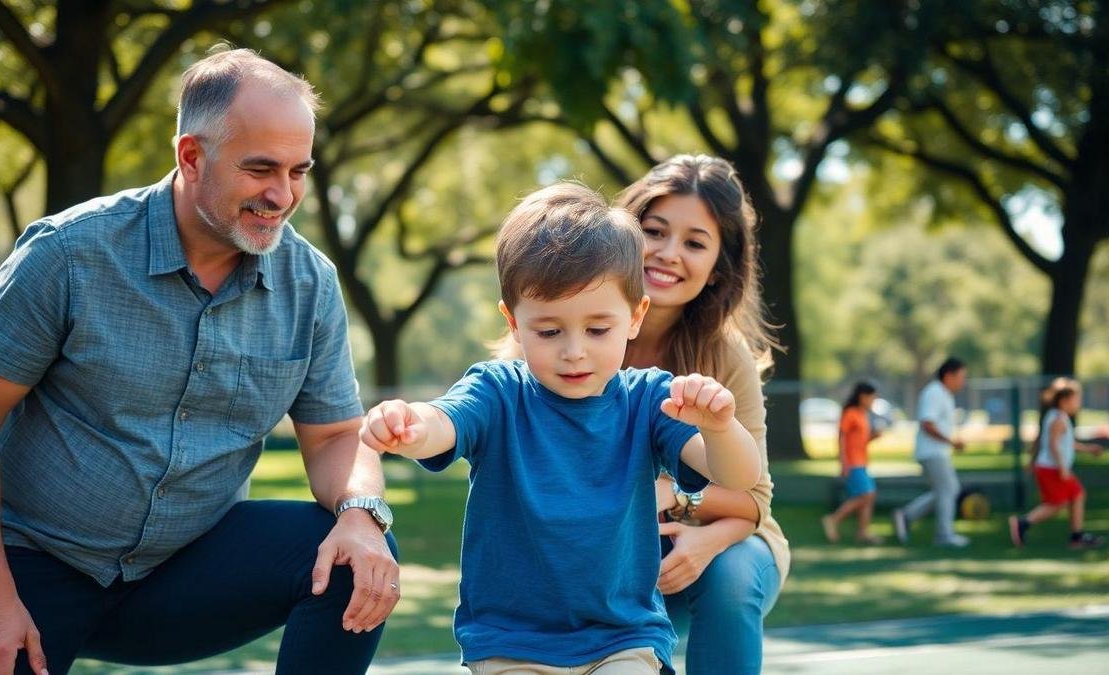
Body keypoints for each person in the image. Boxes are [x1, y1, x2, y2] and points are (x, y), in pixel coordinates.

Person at [0, 48, 398, 675]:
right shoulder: (69, 254)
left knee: (358, 557)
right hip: (34, 567)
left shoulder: (310, 283)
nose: (282, 195)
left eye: (297, 171)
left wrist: (362, 515)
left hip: (186, 571)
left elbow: (336, 437)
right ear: (191, 156)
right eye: (260, 168)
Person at [360, 182, 762, 674]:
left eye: (598, 330)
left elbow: (738, 476)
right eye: (549, 331)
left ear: (635, 316)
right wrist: (410, 423)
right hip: (510, 642)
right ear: (513, 322)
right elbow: (445, 420)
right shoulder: (498, 391)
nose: (574, 350)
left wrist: (720, 427)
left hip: (623, 637)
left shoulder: (650, 399)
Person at [612, 155, 789, 674]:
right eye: (654, 231)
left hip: (722, 549)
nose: (668, 254)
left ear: (718, 268)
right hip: (602, 557)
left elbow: (754, 500)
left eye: (694, 242)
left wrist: (691, 518)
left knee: (730, 575)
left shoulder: (726, 356)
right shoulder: (564, 336)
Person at [1010, 381, 1105, 549]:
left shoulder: (1056, 416)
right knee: (1057, 503)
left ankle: (1077, 536)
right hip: (1052, 468)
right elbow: (1053, 445)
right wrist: (1062, 468)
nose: (1078, 403)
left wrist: (1089, 448)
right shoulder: (1058, 419)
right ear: (1064, 400)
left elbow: (1065, 443)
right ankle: (1023, 523)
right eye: (1076, 399)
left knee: (1075, 495)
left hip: (1050, 467)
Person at [892, 357, 969, 547]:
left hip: (938, 452)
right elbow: (928, 423)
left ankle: (906, 515)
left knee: (947, 490)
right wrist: (951, 441)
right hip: (932, 452)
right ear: (948, 376)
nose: (963, 382)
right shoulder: (934, 393)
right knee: (949, 489)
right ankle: (944, 535)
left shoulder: (944, 394)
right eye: (961, 377)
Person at [822, 382, 884, 544]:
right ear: (862, 396)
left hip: (862, 462)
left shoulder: (862, 414)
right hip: (853, 463)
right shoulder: (850, 413)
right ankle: (833, 519)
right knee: (867, 494)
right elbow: (841, 437)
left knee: (867, 496)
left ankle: (863, 532)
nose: (873, 401)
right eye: (872, 397)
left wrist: (873, 437)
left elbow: (860, 441)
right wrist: (843, 461)